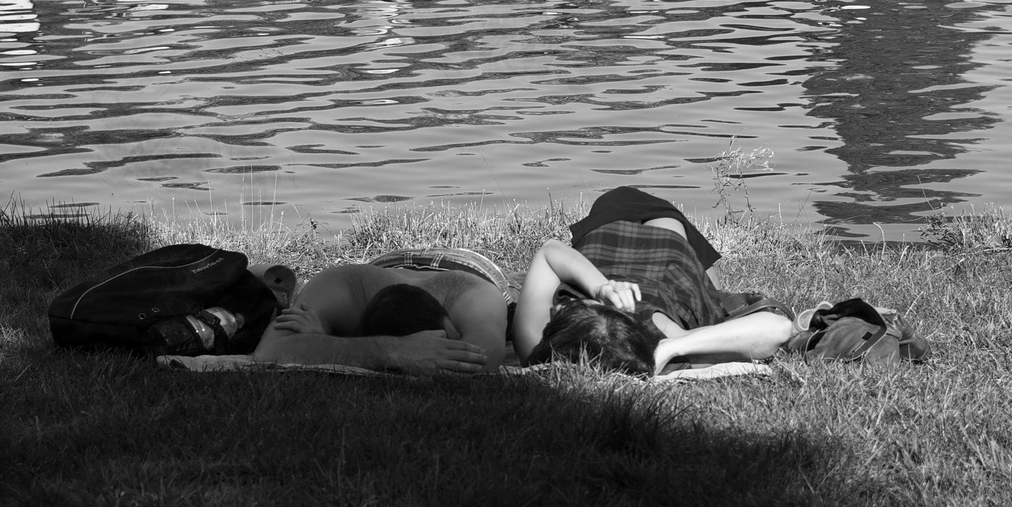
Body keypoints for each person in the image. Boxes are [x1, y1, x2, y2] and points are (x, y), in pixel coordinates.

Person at [511, 187, 802, 377]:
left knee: (617, 199)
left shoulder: (537, 350)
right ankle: (694, 249)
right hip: (667, 254)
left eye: (570, 304)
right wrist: (671, 348)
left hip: (606, 242)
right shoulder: (665, 341)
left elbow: (551, 249)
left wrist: (600, 286)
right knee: (661, 214)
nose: (557, 308)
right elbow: (777, 328)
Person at [250, 249, 510, 375]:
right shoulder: (343, 287)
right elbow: (268, 353)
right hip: (385, 263)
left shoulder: (477, 297)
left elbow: (478, 365)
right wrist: (396, 353)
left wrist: (325, 343)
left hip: (473, 267)